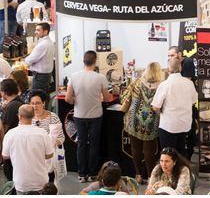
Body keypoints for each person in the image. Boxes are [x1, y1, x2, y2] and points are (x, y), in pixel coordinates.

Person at [65, 51, 112, 182]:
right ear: (95, 61)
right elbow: (107, 97)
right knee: (94, 145)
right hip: (95, 115)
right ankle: (92, 173)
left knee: (81, 144)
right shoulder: (100, 78)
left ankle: (81, 174)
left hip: (79, 115)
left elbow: (68, 98)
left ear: (83, 60)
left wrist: (77, 101)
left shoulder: (74, 76)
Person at [121, 61, 164, 184]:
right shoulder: (161, 86)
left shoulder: (137, 82)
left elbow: (124, 97)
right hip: (151, 123)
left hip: (133, 122)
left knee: (135, 150)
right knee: (149, 151)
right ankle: (150, 176)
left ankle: (138, 175)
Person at [1, 105, 54, 194]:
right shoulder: (42, 133)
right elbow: (50, 155)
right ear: (33, 116)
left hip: (21, 181)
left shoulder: (10, 134)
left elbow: (5, 156)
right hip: (41, 180)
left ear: (19, 116)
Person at [152, 58, 197, 159]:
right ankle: (184, 173)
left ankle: (171, 175)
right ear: (180, 68)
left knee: (167, 155)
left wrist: (161, 113)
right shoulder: (189, 84)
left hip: (168, 125)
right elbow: (193, 101)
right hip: (184, 125)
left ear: (168, 69)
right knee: (181, 151)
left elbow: (155, 107)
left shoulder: (164, 85)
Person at [0, 78, 24, 181]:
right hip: (18, 143)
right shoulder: (18, 102)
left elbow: (4, 128)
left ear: (4, 92)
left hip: (11, 144)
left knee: (10, 173)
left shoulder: (12, 106)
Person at [23, 23, 55, 94]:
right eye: (36, 30)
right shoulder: (50, 42)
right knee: (43, 96)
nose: (35, 32)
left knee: (37, 97)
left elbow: (30, 60)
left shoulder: (43, 44)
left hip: (40, 77)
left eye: (38, 30)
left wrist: (23, 62)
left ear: (45, 32)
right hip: (46, 76)